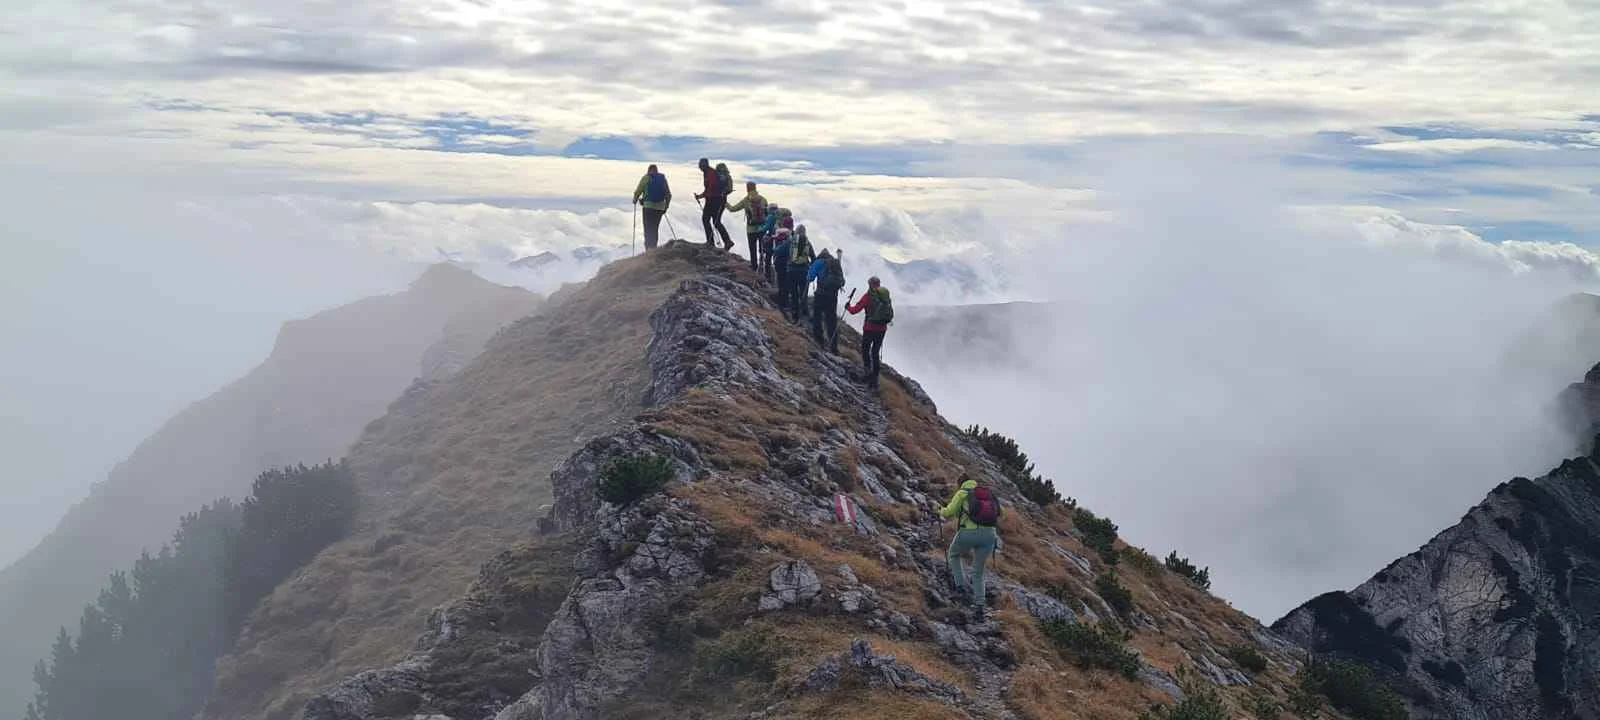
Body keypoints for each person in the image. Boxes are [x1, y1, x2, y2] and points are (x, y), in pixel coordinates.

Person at [939, 477, 1002, 619]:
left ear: (960, 484)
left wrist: (939, 510)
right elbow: (1000, 513)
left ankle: (960, 588)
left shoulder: (962, 493)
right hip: (989, 535)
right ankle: (979, 607)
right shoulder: (988, 495)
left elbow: (949, 512)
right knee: (978, 571)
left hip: (968, 532)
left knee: (954, 554)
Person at [845, 276, 892, 387]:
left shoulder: (868, 297)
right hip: (882, 329)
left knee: (865, 350)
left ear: (870, 284)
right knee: (875, 352)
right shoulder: (885, 296)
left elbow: (855, 310)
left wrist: (848, 307)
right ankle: (875, 378)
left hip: (869, 328)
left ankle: (867, 372)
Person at [808, 248, 845, 352]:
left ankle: (818, 339)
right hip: (833, 296)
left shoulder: (819, 262)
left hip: (821, 293)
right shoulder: (835, 263)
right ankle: (833, 345)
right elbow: (842, 281)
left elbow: (810, 277)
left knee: (817, 316)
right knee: (831, 320)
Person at [727, 181, 768, 271]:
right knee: (762, 248)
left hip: (751, 229)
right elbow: (767, 214)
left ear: (747, 189)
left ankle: (754, 266)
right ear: (755, 188)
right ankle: (762, 264)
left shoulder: (746, 200)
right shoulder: (763, 199)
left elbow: (732, 209)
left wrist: (724, 202)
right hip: (762, 228)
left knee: (752, 248)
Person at [694, 158, 734, 250]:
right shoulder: (708, 172)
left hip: (714, 200)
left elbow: (711, 188)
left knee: (708, 220)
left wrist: (702, 196)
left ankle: (713, 242)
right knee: (714, 221)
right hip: (716, 200)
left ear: (704, 165)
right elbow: (709, 188)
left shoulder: (710, 173)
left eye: (700, 165)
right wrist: (700, 196)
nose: (699, 167)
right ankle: (726, 241)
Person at [631, 164, 671, 250]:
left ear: (648, 170)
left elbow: (638, 191)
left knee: (648, 229)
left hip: (648, 207)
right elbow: (668, 195)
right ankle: (653, 248)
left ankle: (648, 250)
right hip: (659, 208)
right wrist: (665, 207)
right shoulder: (662, 179)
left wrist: (635, 199)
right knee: (655, 229)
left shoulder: (646, 177)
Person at [786, 225, 816, 324]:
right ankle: (804, 311)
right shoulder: (808, 243)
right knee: (803, 292)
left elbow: (782, 252)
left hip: (791, 271)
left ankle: (795, 315)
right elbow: (814, 258)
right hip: (804, 271)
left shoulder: (791, 241)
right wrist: (810, 267)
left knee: (794, 293)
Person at [771, 228, 793, 312]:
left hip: (781, 264)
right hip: (787, 265)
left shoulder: (783, 243)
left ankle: (782, 303)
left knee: (781, 284)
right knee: (785, 284)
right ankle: (785, 303)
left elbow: (777, 251)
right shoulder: (789, 242)